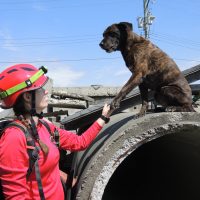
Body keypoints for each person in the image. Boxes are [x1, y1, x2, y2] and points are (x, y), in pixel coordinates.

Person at [0, 64, 111, 200]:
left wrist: (103, 118)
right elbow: (15, 197)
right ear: (28, 97)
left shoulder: (46, 126)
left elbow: (79, 142)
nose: (45, 92)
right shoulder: (13, 137)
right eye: (40, 89)